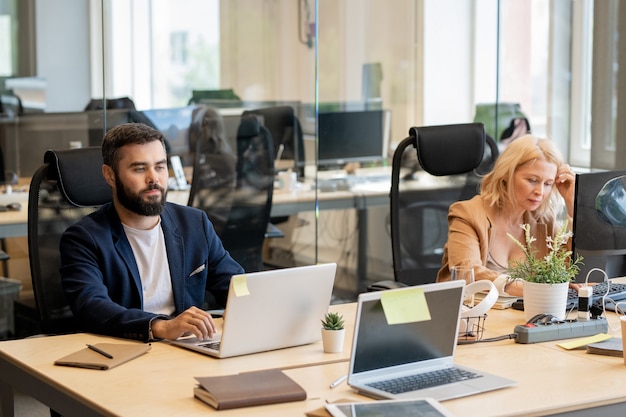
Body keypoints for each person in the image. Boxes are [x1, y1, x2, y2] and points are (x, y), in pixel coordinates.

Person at [59, 122, 244, 342]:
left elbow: (235, 282)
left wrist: (257, 297)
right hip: (126, 348)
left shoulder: (195, 224)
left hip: (188, 346)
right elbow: (92, 306)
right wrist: (159, 326)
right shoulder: (84, 239)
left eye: (160, 166)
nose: (153, 179)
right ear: (109, 175)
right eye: (139, 168)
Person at [436, 134, 577, 297]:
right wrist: (537, 290)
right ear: (506, 174)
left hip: (524, 316)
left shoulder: (543, 220)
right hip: (476, 316)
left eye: (548, 184)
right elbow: (468, 274)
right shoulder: (467, 214)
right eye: (532, 180)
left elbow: (571, 269)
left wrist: (573, 206)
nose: (540, 191)